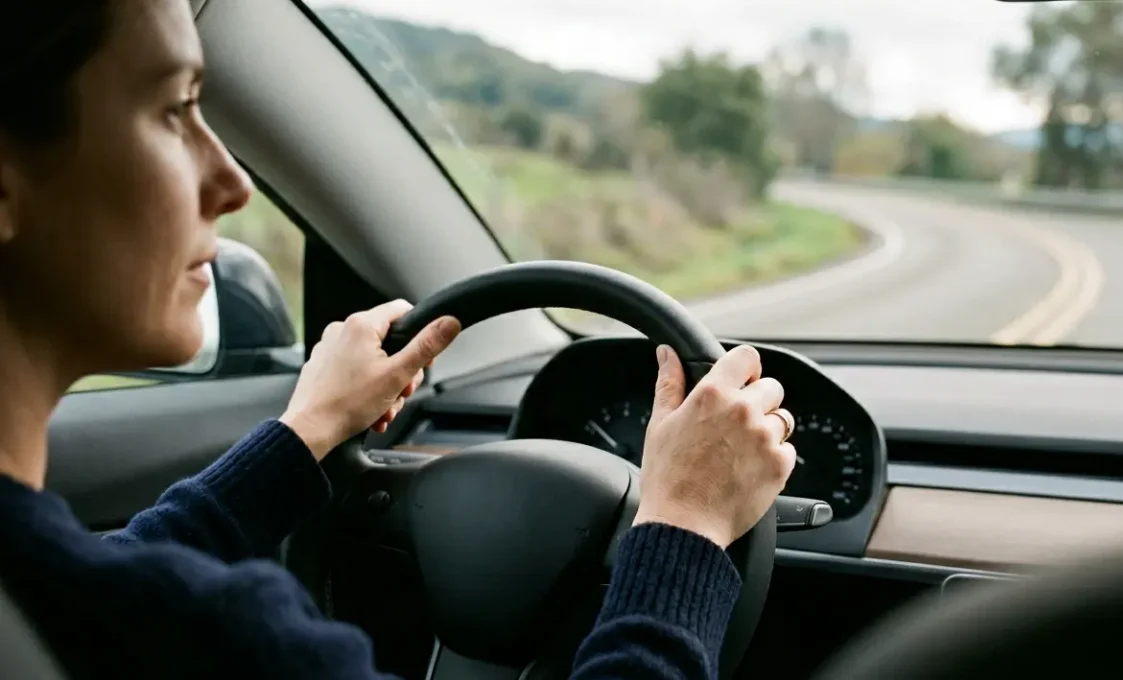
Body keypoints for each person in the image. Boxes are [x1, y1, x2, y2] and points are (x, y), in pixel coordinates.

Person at [0, 2, 797, 679]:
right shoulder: (230, 641)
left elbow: (100, 581)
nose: (234, 182)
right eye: (176, 110)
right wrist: (684, 527)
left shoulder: (62, 606)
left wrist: (306, 432)